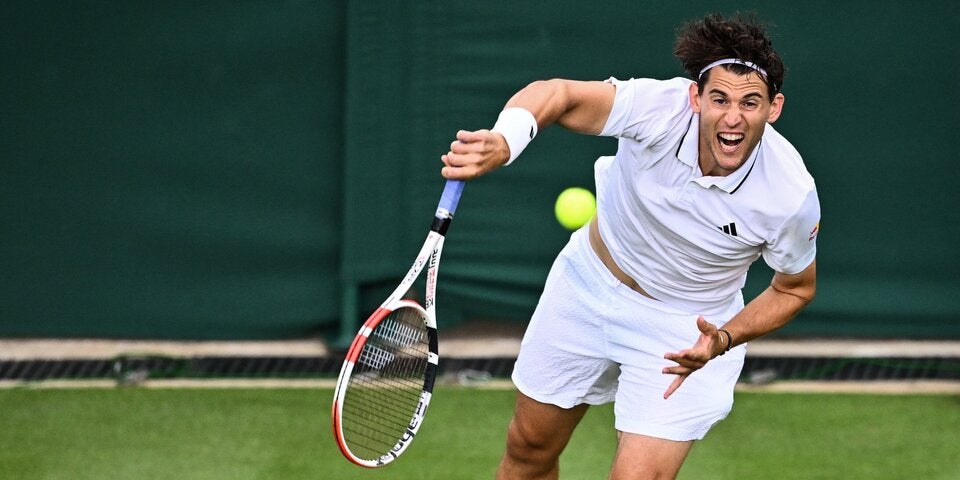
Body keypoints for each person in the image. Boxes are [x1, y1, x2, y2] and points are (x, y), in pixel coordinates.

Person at [441, 13, 820, 480]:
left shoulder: (790, 193)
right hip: (587, 283)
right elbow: (557, 94)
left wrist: (722, 338)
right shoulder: (657, 109)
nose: (733, 118)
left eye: (751, 102)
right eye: (719, 98)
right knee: (527, 454)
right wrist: (505, 140)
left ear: (774, 107)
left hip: (685, 327)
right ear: (695, 97)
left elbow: (794, 288)